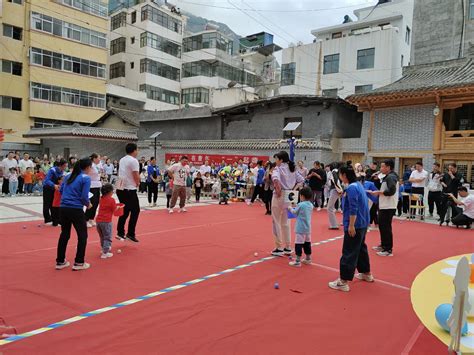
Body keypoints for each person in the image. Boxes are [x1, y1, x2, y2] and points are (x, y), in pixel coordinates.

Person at [329, 165, 372, 292]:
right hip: (363, 223)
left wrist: (351, 225)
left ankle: (343, 281)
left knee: (349, 251)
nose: (340, 177)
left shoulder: (352, 188)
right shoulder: (358, 185)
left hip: (355, 224)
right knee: (361, 249)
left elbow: (354, 208)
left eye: (341, 175)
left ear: (344, 175)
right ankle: (366, 273)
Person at [56, 158, 93, 271]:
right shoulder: (86, 178)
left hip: (63, 207)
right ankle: (79, 262)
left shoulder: (68, 176)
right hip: (76, 208)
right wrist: (88, 204)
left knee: (64, 234)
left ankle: (60, 261)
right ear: (87, 167)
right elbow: (83, 196)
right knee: (82, 235)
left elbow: (61, 190)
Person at [271, 151, 305, 256]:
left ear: (281, 160)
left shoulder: (278, 168)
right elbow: (301, 180)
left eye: (276, 159)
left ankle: (279, 247)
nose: (275, 161)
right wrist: (294, 188)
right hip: (290, 194)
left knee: (276, 220)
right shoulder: (293, 168)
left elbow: (275, 179)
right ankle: (288, 246)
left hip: (280, 195)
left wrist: (278, 190)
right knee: (286, 222)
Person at [368, 159, 399, 257]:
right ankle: (383, 245)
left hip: (388, 206)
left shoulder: (391, 177)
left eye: (382, 166)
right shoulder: (388, 177)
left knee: (386, 227)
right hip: (385, 205)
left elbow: (391, 191)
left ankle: (388, 249)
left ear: (388, 167)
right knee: (382, 226)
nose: (380, 169)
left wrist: (378, 193)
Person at [115, 143, 140, 243]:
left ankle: (120, 232)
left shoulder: (122, 159)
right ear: (134, 150)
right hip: (129, 188)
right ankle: (130, 233)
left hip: (120, 187)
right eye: (137, 150)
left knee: (124, 211)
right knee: (135, 210)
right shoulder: (133, 161)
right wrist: (138, 182)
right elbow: (135, 174)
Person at [287, 186, 313, 267]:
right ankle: (308, 258)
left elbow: (294, 212)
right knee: (307, 243)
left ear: (302, 196)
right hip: (307, 228)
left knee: (298, 243)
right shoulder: (311, 205)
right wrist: (296, 205)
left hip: (300, 228)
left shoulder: (300, 205)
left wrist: (290, 208)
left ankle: (297, 261)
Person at [96, 183, 122, 259]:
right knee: (107, 236)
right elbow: (114, 210)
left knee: (102, 236)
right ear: (109, 192)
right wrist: (118, 208)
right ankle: (105, 252)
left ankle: (103, 248)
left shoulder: (101, 199)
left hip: (98, 221)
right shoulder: (111, 200)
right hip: (106, 221)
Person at [43, 159, 67, 225]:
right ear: (60, 166)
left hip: (55, 188)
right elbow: (47, 180)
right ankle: (47, 219)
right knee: (47, 204)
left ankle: (55, 219)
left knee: (54, 204)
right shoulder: (52, 170)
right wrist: (54, 185)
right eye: (64, 166)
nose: (65, 168)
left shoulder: (63, 172)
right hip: (47, 188)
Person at [85, 153, 102, 228]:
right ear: (94, 159)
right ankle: (86, 219)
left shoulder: (97, 165)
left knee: (96, 202)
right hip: (91, 186)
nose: (99, 159)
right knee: (91, 202)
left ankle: (92, 218)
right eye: (98, 158)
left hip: (97, 185)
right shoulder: (90, 165)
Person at [327, 162, 343, 230]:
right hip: (338, 189)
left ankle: (334, 225)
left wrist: (340, 190)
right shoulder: (339, 171)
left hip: (335, 190)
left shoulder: (334, 171)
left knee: (329, 208)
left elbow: (336, 181)